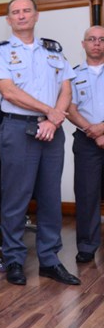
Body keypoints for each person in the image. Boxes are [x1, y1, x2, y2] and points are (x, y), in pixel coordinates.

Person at [0, 0, 79, 286]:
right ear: (9, 20)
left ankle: (50, 261)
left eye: (27, 10)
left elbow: (66, 87)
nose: (22, 15)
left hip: (52, 131)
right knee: (16, 198)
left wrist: (54, 119)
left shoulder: (53, 50)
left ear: (36, 16)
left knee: (51, 198)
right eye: (16, 12)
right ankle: (14, 259)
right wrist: (48, 112)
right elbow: (10, 92)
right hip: (18, 130)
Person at [67, 25, 104, 264]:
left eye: (101, 39)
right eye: (91, 39)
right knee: (87, 195)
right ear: (84, 44)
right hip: (87, 141)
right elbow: (68, 108)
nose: (96, 43)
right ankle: (87, 246)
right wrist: (93, 131)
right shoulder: (73, 74)